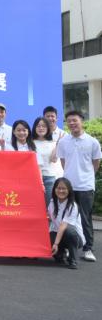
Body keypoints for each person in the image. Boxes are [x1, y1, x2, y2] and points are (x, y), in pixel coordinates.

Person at [56, 111, 101, 262]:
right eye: (69, 121)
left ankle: (88, 249)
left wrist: (87, 176)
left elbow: (96, 163)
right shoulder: (63, 142)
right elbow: (63, 162)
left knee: (85, 218)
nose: (72, 123)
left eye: (74, 120)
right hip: (68, 187)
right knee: (67, 217)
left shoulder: (92, 142)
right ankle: (69, 248)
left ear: (82, 121)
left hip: (86, 186)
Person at [49, 178, 86, 269]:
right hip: (59, 234)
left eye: (64, 188)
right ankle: (61, 254)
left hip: (75, 238)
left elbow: (63, 225)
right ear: (54, 189)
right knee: (49, 235)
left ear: (69, 190)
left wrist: (55, 244)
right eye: (58, 188)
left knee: (68, 230)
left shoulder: (72, 205)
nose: (61, 191)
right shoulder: (52, 203)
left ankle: (73, 259)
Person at [32, 116, 63, 205]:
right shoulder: (30, 142)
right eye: (38, 126)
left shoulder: (53, 143)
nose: (41, 128)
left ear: (48, 128)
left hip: (49, 177)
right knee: (36, 205)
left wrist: (58, 144)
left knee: (50, 205)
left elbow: (54, 159)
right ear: (35, 128)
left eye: (44, 126)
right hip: (34, 178)